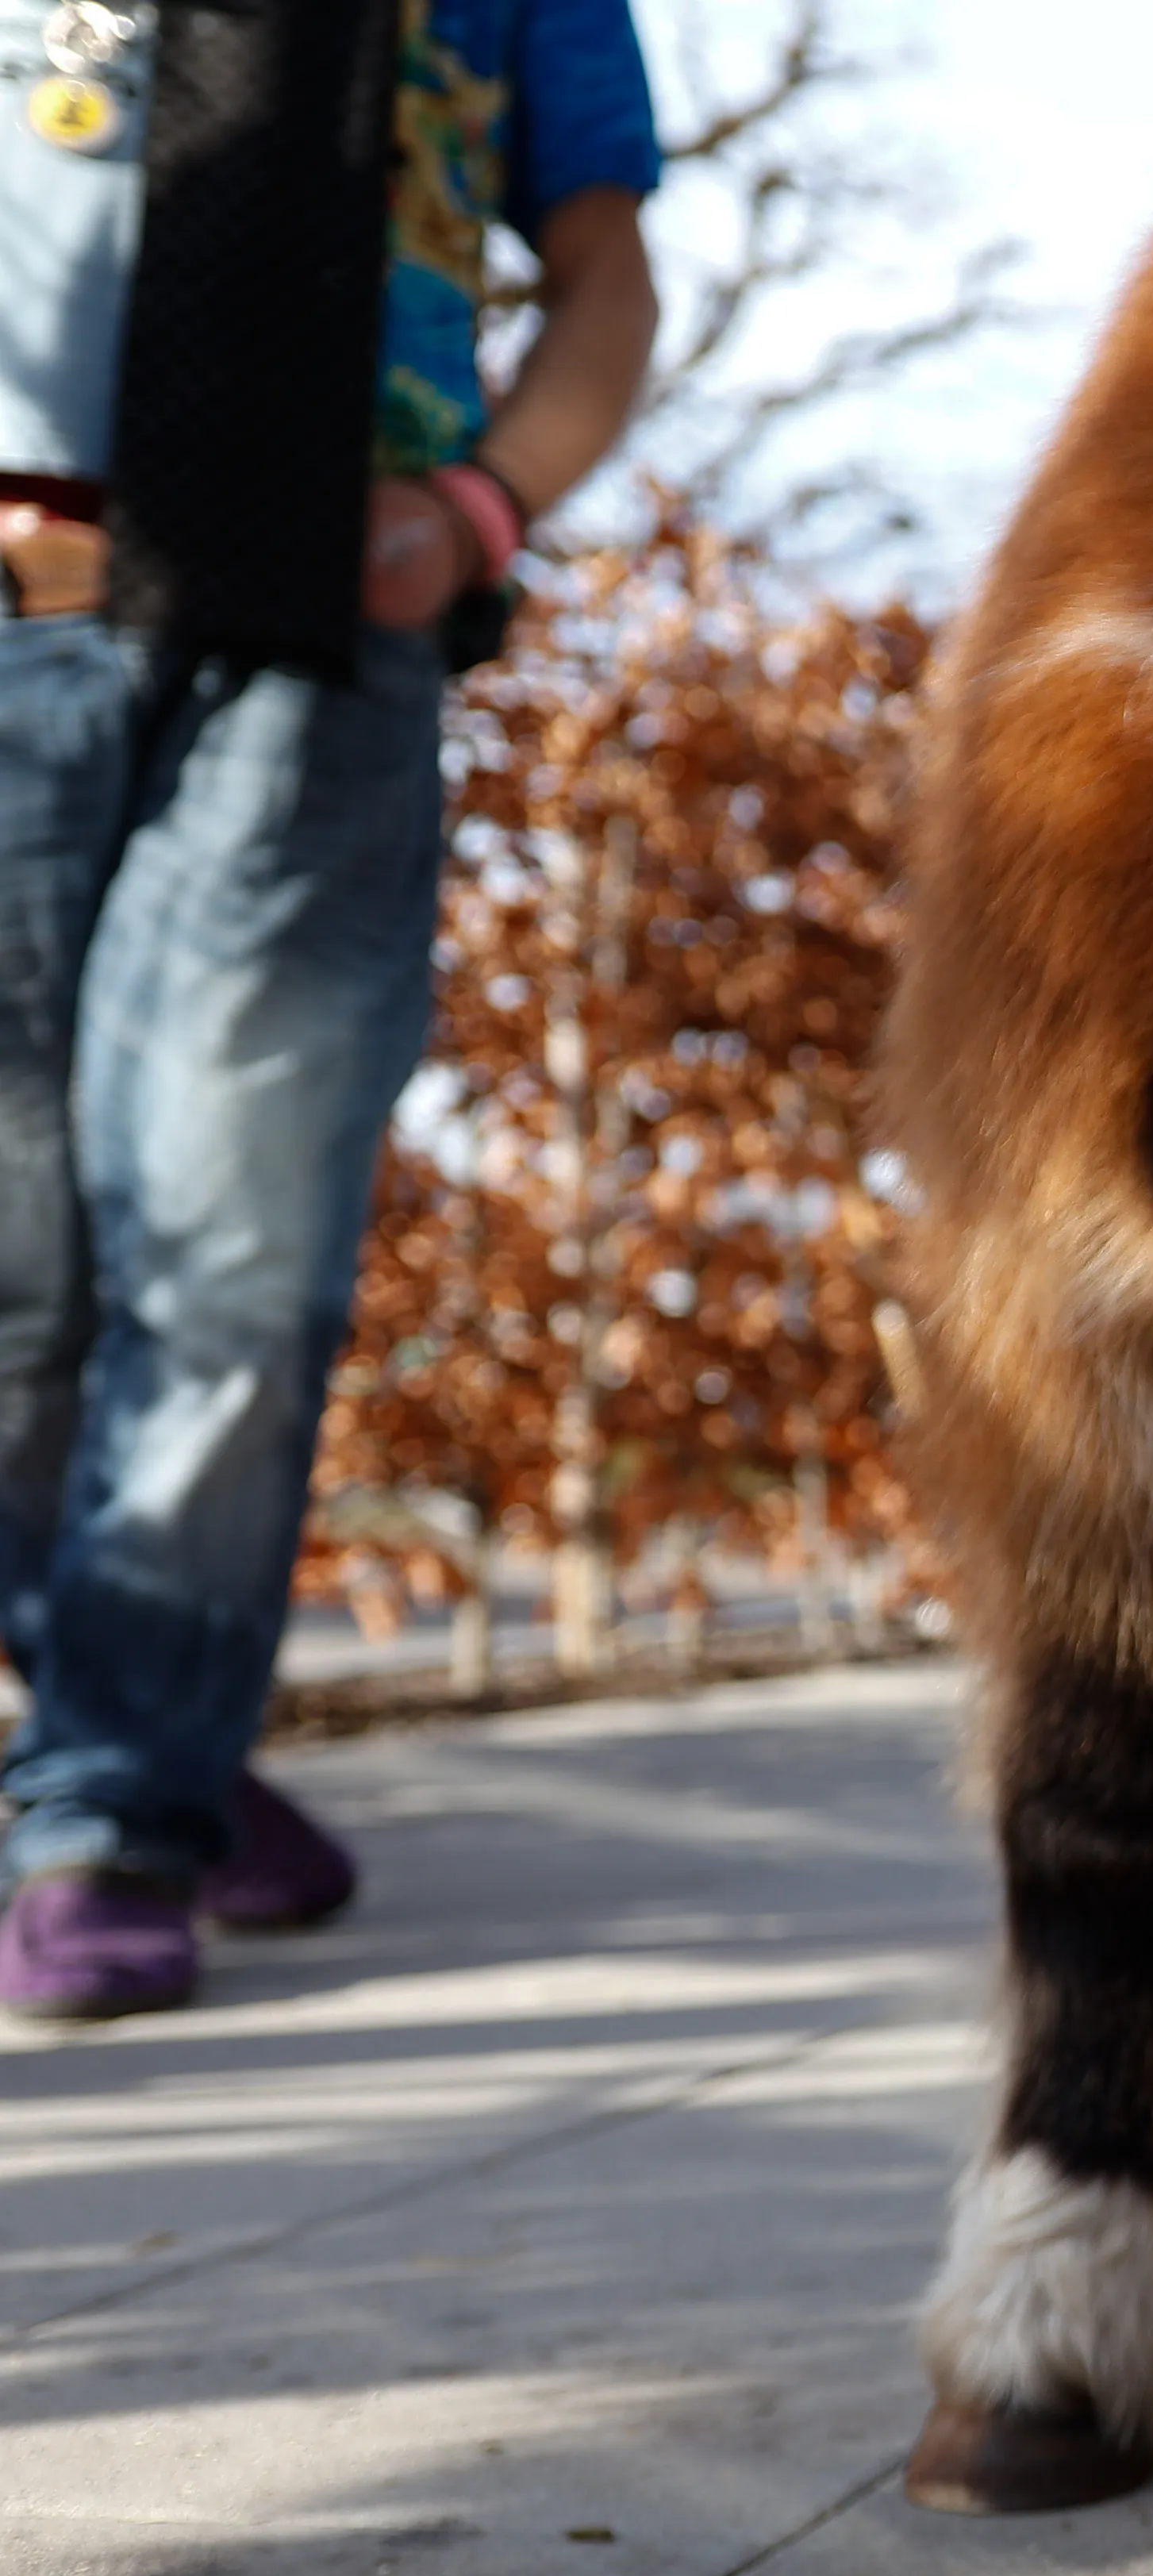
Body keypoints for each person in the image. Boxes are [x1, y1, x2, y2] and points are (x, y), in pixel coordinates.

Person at [0, 0, 662, 2018]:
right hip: (17, 619)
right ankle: (148, 1719)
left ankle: (115, 1799)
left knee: (224, 1226)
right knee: (20, 1255)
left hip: (323, 632)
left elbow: (606, 277)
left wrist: (482, 507)